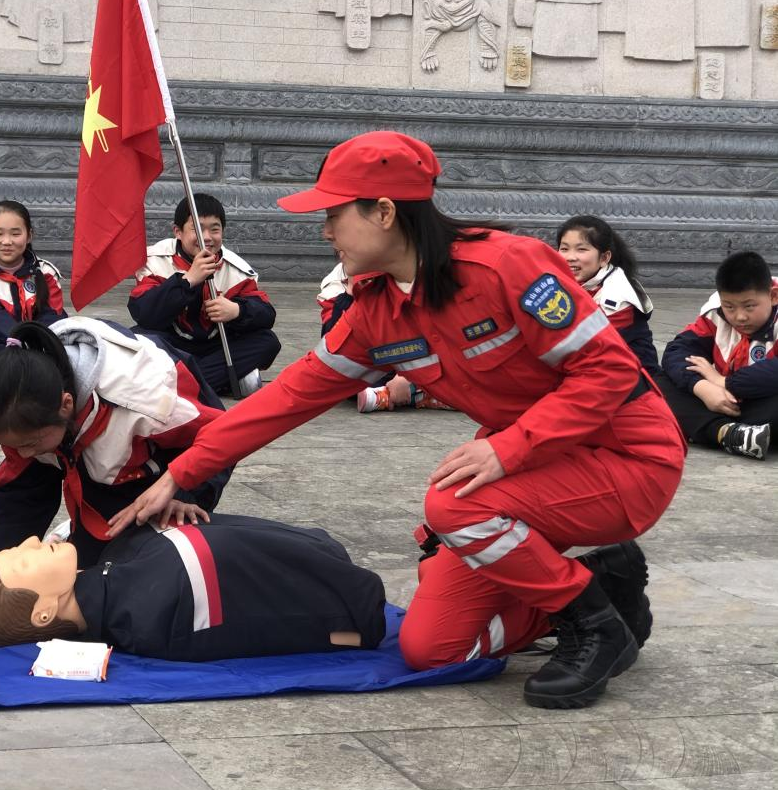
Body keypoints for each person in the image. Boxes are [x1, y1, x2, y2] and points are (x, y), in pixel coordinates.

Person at [107, 131, 685, 710]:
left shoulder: (507, 266)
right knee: (433, 648)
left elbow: (610, 372)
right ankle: (602, 585)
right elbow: (285, 400)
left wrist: (507, 449)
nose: (326, 231)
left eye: (334, 215)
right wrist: (180, 473)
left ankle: (593, 625)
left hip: (626, 456)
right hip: (532, 471)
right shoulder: (376, 311)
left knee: (455, 505)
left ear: (384, 212)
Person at [0, 514, 386, 662]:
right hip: (342, 595)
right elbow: (274, 623)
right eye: (24, 559)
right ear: (44, 612)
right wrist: (352, 623)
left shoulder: (117, 572)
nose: (33, 540)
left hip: (314, 557)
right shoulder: (159, 617)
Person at [0, 318, 231, 568]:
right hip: (79, 439)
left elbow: (220, 437)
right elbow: (20, 497)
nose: (23, 453)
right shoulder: (21, 414)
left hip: (156, 460)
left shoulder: (148, 401)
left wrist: (184, 492)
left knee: (134, 562)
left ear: (66, 405)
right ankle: (73, 532)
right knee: (83, 562)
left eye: (30, 443)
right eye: (14, 446)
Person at [129, 193, 280, 396]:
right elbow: (144, 313)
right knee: (137, 340)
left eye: (215, 229)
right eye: (198, 229)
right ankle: (219, 381)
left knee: (267, 341)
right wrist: (188, 280)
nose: (207, 237)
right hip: (172, 343)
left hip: (217, 346)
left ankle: (175, 385)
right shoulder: (155, 260)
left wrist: (237, 310)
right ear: (178, 232)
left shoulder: (237, 270)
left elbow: (266, 314)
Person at [656, 250, 778, 460]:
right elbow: (678, 351)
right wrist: (702, 388)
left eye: (749, 306)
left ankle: (711, 429)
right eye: (729, 307)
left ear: (773, 296)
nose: (740, 317)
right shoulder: (715, 314)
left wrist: (723, 381)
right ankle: (729, 433)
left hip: (762, 401)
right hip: (721, 400)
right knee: (657, 380)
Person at [320, 262, 452, 415]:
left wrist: (405, 377)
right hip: (373, 368)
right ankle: (416, 393)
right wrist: (350, 295)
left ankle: (410, 392)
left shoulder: (410, 278)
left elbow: (433, 336)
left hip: (415, 362)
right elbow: (334, 356)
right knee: (348, 382)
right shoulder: (336, 290)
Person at [0, 201, 66, 380]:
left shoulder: (46, 272)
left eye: (16, 234)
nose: (7, 242)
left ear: (29, 235)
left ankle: (18, 375)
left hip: (41, 344)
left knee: (72, 335)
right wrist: (25, 347)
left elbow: (53, 317)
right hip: (5, 344)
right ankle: (36, 373)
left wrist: (36, 344)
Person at [556, 215, 658, 376]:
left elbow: (583, 346)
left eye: (581, 249)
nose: (570, 257)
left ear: (604, 258)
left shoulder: (616, 296)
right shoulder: (567, 281)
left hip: (630, 378)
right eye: (564, 249)